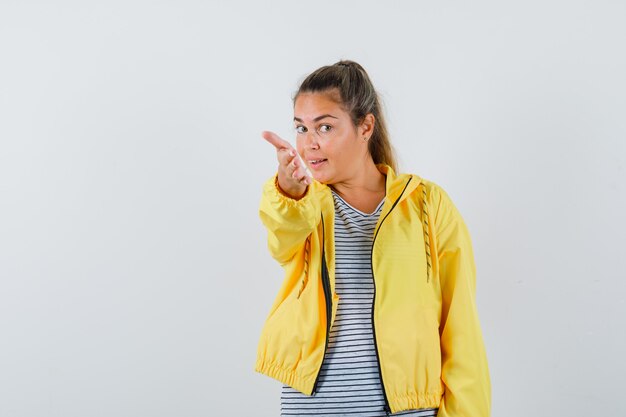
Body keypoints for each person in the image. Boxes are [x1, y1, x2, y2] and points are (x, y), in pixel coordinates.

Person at [255, 60, 491, 417]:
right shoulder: (305, 204)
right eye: (301, 128)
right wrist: (289, 193)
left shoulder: (427, 205)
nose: (309, 143)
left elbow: (460, 327)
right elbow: (282, 240)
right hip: (314, 409)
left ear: (365, 127)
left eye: (325, 127)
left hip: (409, 410)